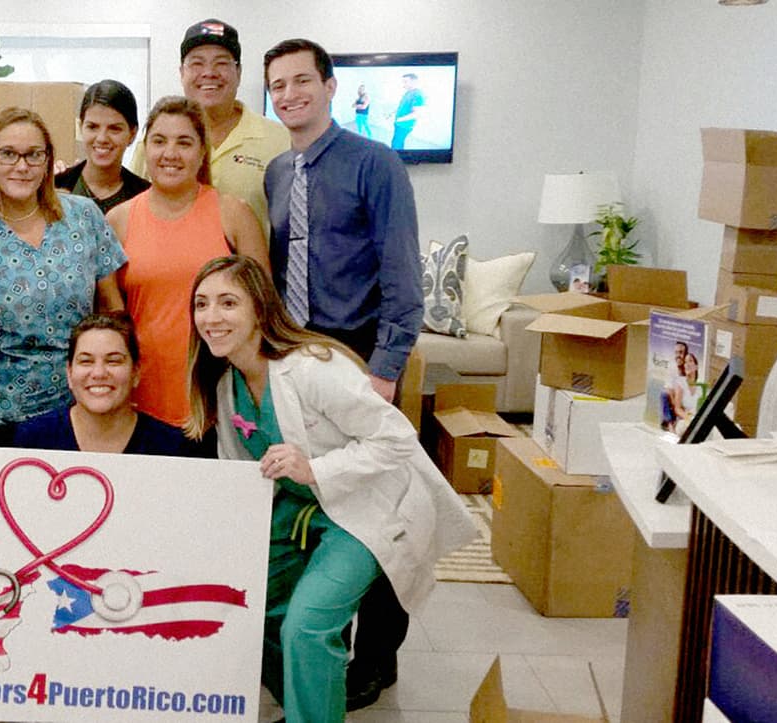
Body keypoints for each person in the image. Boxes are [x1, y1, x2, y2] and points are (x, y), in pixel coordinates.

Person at [185, 255, 474, 723]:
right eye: (201, 304)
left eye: (227, 303)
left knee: (307, 624)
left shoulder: (313, 367)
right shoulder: (225, 383)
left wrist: (315, 468)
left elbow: (396, 439)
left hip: (361, 509)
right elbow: (240, 471)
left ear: (259, 309)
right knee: (247, 605)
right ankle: (311, 707)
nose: (211, 317)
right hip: (293, 511)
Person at [263, 39, 426, 709]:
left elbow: (403, 276)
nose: (291, 92)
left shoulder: (375, 164)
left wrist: (385, 370)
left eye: (303, 80)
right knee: (321, 498)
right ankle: (318, 638)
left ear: (330, 87)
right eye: (278, 84)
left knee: (381, 508)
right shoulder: (277, 171)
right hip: (298, 356)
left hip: (361, 355)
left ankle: (376, 656)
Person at [0, 107, 127, 446]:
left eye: (34, 154)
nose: (22, 166)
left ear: (49, 159)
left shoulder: (84, 217)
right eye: (8, 154)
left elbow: (113, 312)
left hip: (80, 410)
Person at [106, 96, 268, 430]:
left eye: (184, 142)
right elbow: (108, 317)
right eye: (159, 141)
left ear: (201, 151)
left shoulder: (233, 214)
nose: (170, 153)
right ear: (145, 148)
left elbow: (265, 310)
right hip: (140, 399)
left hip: (221, 399)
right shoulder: (119, 220)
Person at [129, 19, 290, 236]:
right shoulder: (155, 144)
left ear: (238, 72)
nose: (209, 72)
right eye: (197, 63)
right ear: (182, 72)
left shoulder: (280, 141)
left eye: (221, 63)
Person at [12, 312, 191, 456]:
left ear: (136, 372)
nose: (98, 373)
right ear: (69, 373)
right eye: (86, 361)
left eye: (113, 361)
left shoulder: (173, 448)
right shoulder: (32, 440)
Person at [54, 80, 150, 215]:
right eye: (92, 127)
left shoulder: (146, 196)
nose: (102, 138)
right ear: (81, 128)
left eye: (114, 129)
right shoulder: (54, 187)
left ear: (132, 134)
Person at [390, 73, 425, 150]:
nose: (403, 84)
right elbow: (402, 106)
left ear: (414, 82)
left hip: (405, 125)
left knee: (396, 145)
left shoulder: (418, 95)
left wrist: (399, 119)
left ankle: (395, 160)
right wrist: (392, 113)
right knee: (398, 142)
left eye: (405, 82)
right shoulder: (408, 92)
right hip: (399, 124)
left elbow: (417, 114)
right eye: (403, 81)